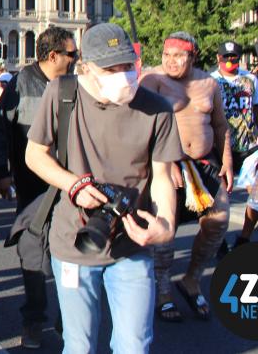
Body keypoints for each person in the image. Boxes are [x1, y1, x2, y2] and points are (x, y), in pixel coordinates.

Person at [25, 24, 182, 354]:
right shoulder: (62, 93)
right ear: (86, 67)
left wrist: (166, 226)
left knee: (134, 345)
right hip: (74, 242)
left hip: (132, 244)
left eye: (127, 65)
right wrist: (74, 184)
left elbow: (163, 177)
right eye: (111, 68)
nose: (123, 75)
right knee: (79, 346)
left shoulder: (158, 109)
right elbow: (34, 155)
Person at [0, 25, 76, 349]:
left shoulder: (75, 84)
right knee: (34, 262)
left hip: (71, 190)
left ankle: (69, 319)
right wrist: (0, 171)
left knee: (73, 262)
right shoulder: (20, 84)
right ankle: (34, 319)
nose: (75, 60)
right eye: (72, 54)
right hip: (33, 193)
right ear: (53, 56)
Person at [139, 32, 234, 322]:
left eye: (178, 56)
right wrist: (165, 164)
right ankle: (164, 290)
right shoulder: (152, 80)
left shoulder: (209, 83)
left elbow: (220, 124)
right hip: (165, 166)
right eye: (166, 54)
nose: (171, 61)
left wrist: (227, 160)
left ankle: (192, 279)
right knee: (166, 231)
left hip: (203, 164)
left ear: (193, 56)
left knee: (219, 222)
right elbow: (141, 125)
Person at [210, 40, 258, 254]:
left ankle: (245, 237)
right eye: (226, 57)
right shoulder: (211, 81)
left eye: (234, 57)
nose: (230, 61)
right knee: (221, 197)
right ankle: (219, 238)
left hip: (249, 144)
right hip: (221, 146)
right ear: (218, 58)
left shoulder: (250, 79)